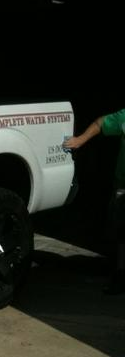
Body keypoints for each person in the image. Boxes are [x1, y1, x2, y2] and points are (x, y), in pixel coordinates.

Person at [64, 110, 125, 295]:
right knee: (121, 231)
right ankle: (121, 275)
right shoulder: (123, 116)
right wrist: (80, 140)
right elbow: (100, 123)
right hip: (123, 184)